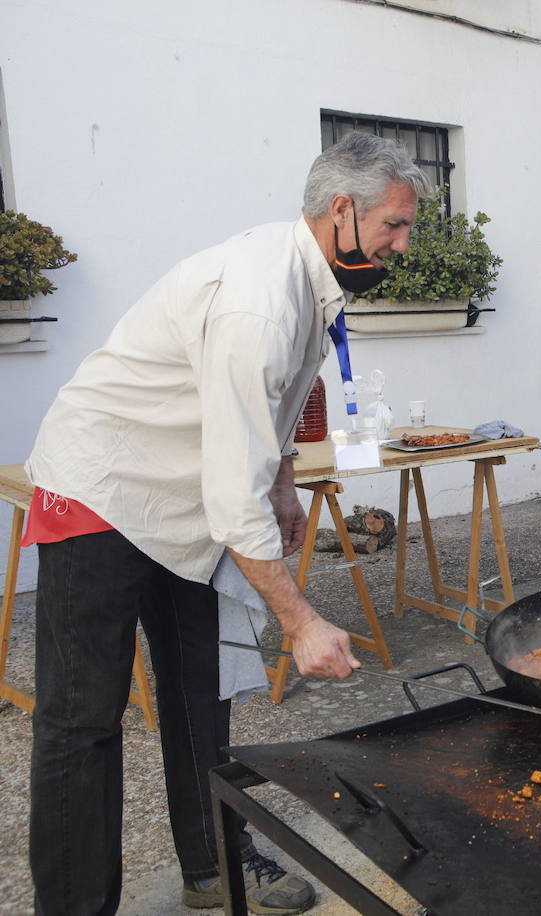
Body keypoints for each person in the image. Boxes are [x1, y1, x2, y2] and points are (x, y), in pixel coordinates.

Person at [23, 132, 430, 915]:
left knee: (197, 696)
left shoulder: (312, 281)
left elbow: (271, 410)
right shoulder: (258, 299)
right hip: (101, 487)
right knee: (83, 723)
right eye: (394, 226)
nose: (403, 245)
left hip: (184, 500)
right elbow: (229, 498)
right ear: (341, 211)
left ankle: (212, 868)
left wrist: (282, 479)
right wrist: (301, 622)